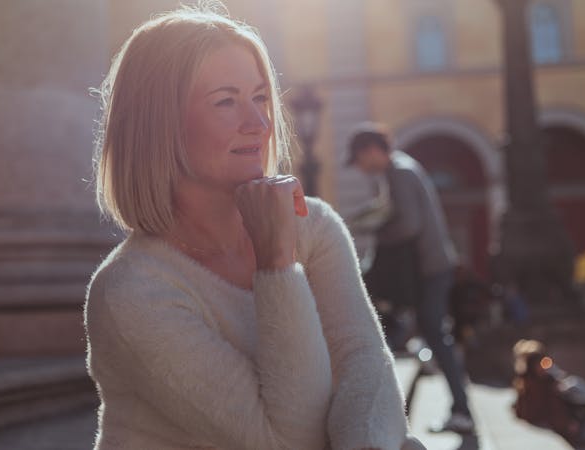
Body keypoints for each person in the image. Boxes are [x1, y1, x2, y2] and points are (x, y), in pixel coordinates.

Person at [84, 4, 424, 449]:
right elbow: (287, 440)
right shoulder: (131, 293)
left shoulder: (315, 227)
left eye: (261, 98)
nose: (260, 124)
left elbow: (364, 363)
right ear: (160, 124)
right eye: (226, 101)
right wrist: (278, 265)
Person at [347, 122, 474, 434]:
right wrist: (361, 218)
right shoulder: (401, 169)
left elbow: (409, 225)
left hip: (429, 270)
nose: (361, 169)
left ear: (371, 151)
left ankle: (462, 411)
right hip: (431, 268)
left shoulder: (399, 173)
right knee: (431, 333)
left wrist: (375, 231)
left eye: (359, 160)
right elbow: (391, 212)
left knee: (435, 334)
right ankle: (456, 404)